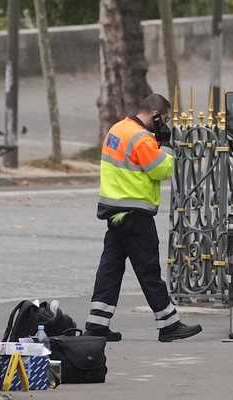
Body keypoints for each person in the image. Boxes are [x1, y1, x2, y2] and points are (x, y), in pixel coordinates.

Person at [84, 94, 202, 342]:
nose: (165, 124)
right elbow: (162, 170)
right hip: (135, 215)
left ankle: (96, 325)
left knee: (110, 268)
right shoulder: (141, 139)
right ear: (156, 116)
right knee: (148, 269)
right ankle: (169, 325)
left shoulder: (118, 129)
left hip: (114, 212)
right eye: (165, 119)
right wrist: (166, 144)